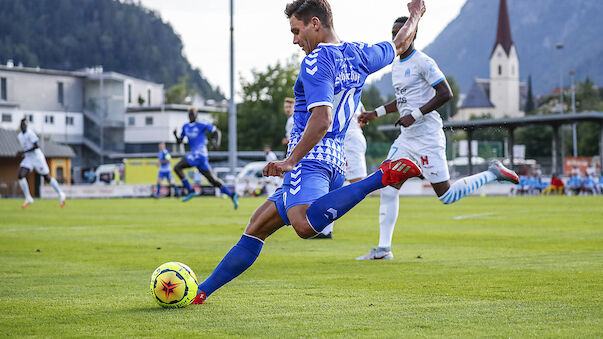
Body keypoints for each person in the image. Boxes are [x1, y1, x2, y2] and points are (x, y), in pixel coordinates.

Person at [190, 0, 427, 305]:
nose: (294, 39)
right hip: (335, 159)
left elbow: (322, 118)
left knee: (303, 224)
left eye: (296, 30)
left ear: (315, 23)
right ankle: (201, 292)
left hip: (310, 157)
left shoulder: (316, 61)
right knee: (257, 226)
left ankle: (383, 175)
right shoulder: (359, 53)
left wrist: (291, 160)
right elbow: (400, 43)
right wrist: (415, 15)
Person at [356, 16, 519, 260]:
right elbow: (401, 101)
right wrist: (374, 114)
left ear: (411, 34)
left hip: (428, 138)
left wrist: (416, 114)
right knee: (389, 187)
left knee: (446, 196)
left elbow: (446, 93)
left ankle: (493, 173)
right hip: (406, 139)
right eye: (392, 33)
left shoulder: (423, 62)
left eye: (399, 32)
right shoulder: (397, 64)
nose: (395, 38)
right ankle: (383, 249)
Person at [173, 107, 238, 208]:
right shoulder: (185, 127)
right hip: (197, 156)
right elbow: (180, 141)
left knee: (177, 167)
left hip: (200, 154)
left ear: (196, 115)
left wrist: (217, 143)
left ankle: (190, 190)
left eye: (193, 114)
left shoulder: (201, 125)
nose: (191, 115)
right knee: (212, 180)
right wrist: (175, 136)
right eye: (190, 114)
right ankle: (232, 195)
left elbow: (217, 131)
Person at [15, 118, 66, 208]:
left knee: (47, 178)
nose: (23, 126)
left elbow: (36, 146)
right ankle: (28, 197)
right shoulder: (20, 136)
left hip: (37, 158)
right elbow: (26, 147)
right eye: (22, 124)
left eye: (24, 125)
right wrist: (23, 153)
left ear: (27, 125)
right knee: (20, 175)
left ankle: (60, 194)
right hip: (28, 158)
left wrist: (23, 152)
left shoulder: (30, 133)